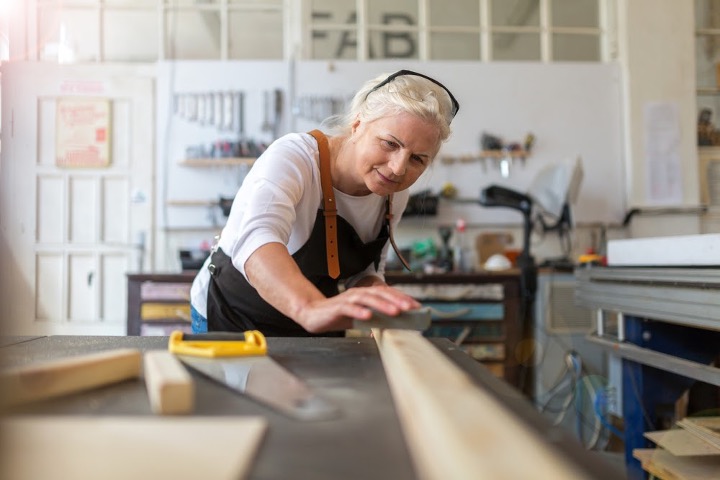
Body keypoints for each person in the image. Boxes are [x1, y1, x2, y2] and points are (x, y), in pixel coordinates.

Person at [189, 69, 460, 336]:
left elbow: (366, 269)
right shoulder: (295, 157)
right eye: (390, 144)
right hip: (234, 317)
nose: (398, 168)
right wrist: (310, 308)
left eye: (417, 159)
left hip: (314, 324)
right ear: (357, 126)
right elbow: (256, 240)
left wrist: (378, 298)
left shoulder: (394, 191)